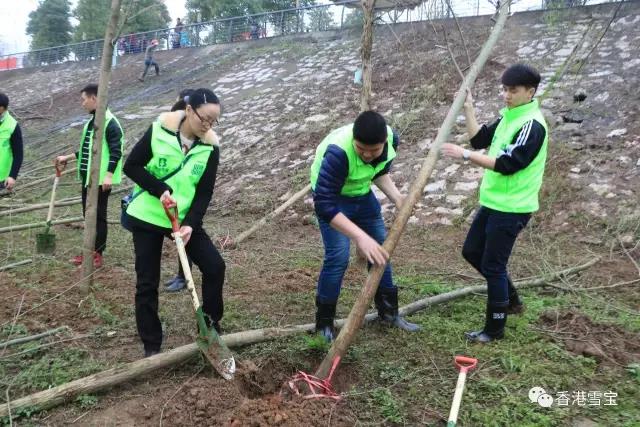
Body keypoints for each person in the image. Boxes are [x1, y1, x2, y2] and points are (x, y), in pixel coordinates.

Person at [441, 63, 548, 343]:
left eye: (513, 91)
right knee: (472, 251)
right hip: (494, 202)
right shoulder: (509, 117)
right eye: (505, 90)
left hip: (513, 207)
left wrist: (464, 155)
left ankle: (494, 329)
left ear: (530, 92)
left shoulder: (531, 125)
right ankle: (511, 300)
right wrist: (468, 107)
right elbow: (479, 140)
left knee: (493, 266)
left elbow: (507, 164)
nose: (506, 95)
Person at [122, 88, 224, 357]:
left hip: (182, 219)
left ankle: (210, 328)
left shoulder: (210, 148)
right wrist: (160, 189)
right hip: (148, 215)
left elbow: (204, 192)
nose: (208, 125)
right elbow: (131, 166)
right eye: (204, 118)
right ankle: (151, 345)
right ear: (189, 110)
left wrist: (191, 223)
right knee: (147, 282)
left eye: (213, 121)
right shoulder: (159, 131)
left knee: (215, 267)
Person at [309, 111, 421, 342]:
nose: (367, 155)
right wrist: (360, 237)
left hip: (361, 194)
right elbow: (324, 205)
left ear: (384, 142)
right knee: (338, 257)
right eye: (361, 149)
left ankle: (389, 313)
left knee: (381, 251)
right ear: (354, 139)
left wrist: (398, 199)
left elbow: (378, 172)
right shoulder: (338, 153)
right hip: (333, 201)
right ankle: (324, 324)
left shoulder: (392, 139)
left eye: (374, 150)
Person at [55, 84, 124, 268]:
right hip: (89, 179)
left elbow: (116, 151)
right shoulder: (93, 122)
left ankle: (97, 254)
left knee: (98, 217)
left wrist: (108, 176)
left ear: (94, 98)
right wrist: (68, 157)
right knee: (88, 215)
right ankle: (89, 251)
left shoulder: (110, 123)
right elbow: (88, 150)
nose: (82, 103)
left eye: (84, 99)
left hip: (100, 181)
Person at [0, 92, 23, 192]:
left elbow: (18, 154)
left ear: (4, 109)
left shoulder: (12, 126)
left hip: (1, 178)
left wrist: (12, 176)